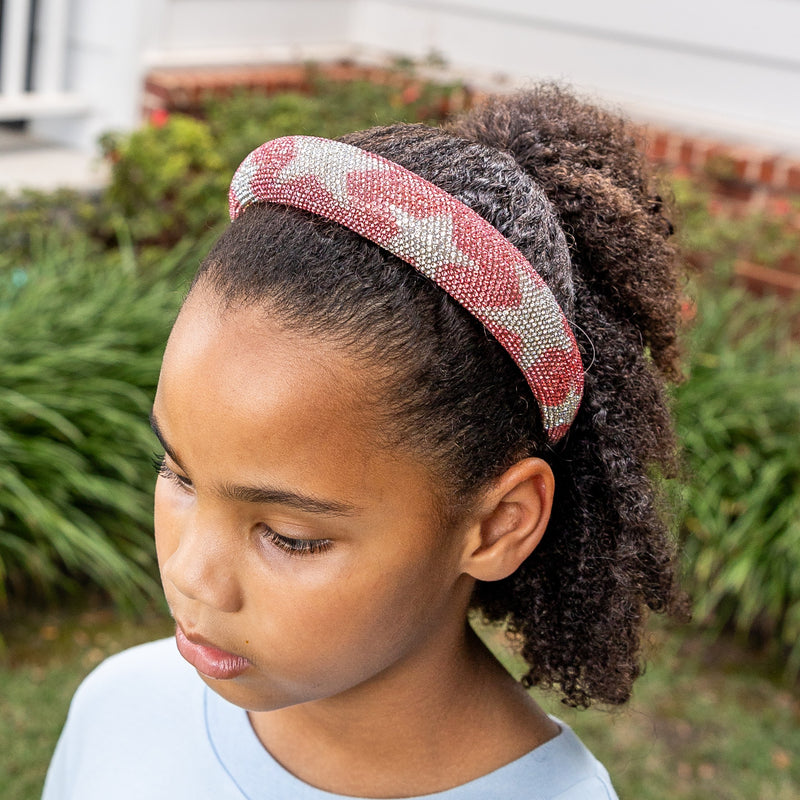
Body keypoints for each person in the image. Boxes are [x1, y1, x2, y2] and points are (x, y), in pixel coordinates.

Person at [43, 84, 684, 799]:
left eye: (289, 536)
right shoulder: (118, 713)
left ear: (499, 524)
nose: (191, 576)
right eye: (180, 474)